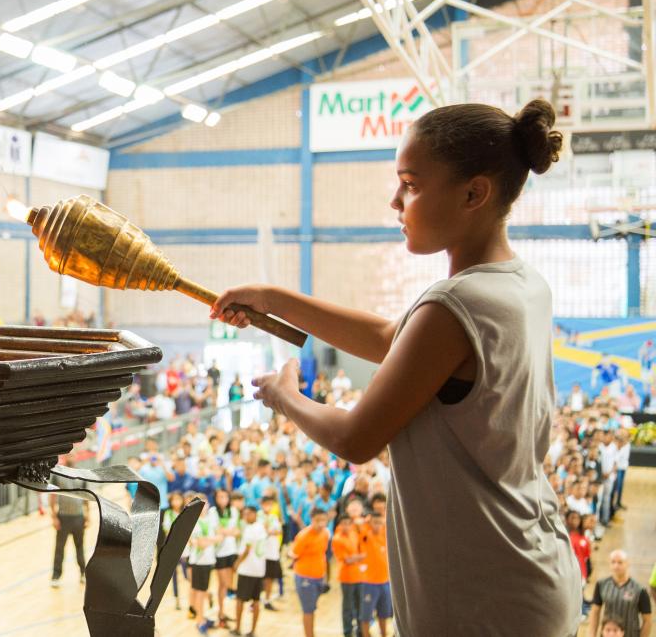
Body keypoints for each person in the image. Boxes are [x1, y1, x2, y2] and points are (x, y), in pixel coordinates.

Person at [212, 99, 581, 635]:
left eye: (410, 184)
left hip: (484, 593)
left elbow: (356, 438)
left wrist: (284, 394)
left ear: (473, 193)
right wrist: (275, 298)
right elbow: (393, 338)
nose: (395, 200)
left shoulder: (455, 305)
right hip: (529, 562)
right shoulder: (520, 284)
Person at [588, 550, 652, 637]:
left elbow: (647, 620)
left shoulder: (640, 590)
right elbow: (595, 612)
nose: (616, 566)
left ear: (627, 564)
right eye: (613, 562)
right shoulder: (601, 585)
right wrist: (592, 634)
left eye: (620, 562)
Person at [291, 509, 330, 637]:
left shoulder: (325, 533)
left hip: (319, 576)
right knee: (308, 610)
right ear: (311, 520)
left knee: (312, 609)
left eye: (323, 520)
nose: (320, 523)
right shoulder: (304, 535)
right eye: (317, 520)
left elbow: (322, 554)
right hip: (304, 577)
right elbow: (293, 554)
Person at [49, 470, 89, 588]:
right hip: (63, 518)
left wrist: (88, 515)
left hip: (79, 517)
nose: (71, 456)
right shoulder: (58, 476)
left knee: (80, 547)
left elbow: (86, 495)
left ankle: (83, 573)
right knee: (60, 548)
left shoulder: (81, 474)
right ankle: (56, 576)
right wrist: (54, 517)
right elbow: (52, 495)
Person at [231, 506, 265, 637]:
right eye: (244, 514)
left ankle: (238, 628)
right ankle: (253, 631)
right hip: (259, 570)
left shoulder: (250, 529)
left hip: (247, 570)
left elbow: (247, 550)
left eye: (248, 514)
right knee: (256, 601)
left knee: (240, 600)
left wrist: (237, 563)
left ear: (255, 514)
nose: (246, 516)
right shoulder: (261, 527)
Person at [210, 489, 241, 629]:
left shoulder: (234, 511)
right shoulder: (212, 512)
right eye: (220, 496)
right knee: (223, 584)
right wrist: (230, 532)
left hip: (232, 551)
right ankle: (221, 614)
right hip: (219, 553)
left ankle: (223, 612)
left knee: (228, 585)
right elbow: (218, 531)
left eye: (225, 496)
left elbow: (237, 532)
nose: (223, 499)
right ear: (216, 498)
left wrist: (227, 532)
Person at [331, 513, 365, 637]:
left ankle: (360, 631)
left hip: (359, 576)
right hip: (346, 577)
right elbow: (347, 560)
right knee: (348, 607)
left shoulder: (354, 534)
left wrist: (356, 557)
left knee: (360, 605)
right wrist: (360, 557)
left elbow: (358, 552)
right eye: (343, 524)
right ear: (339, 525)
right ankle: (347, 632)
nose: (346, 526)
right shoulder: (337, 539)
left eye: (348, 523)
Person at [358, 512, 391, 637]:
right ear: (370, 523)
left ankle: (384, 634)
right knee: (366, 615)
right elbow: (360, 527)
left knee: (383, 614)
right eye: (374, 522)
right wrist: (366, 521)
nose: (377, 525)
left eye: (379, 522)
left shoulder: (384, 535)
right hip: (369, 583)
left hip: (385, 582)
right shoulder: (366, 535)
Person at [188, 499, 218, 634]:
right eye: (201, 505)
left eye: (206, 504)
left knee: (203, 591)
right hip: (199, 562)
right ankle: (200, 621)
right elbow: (199, 544)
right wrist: (212, 540)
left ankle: (202, 617)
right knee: (200, 592)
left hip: (208, 561)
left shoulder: (210, 520)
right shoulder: (194, 523)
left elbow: (219, 537)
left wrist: (209, 541)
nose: (204, 507)